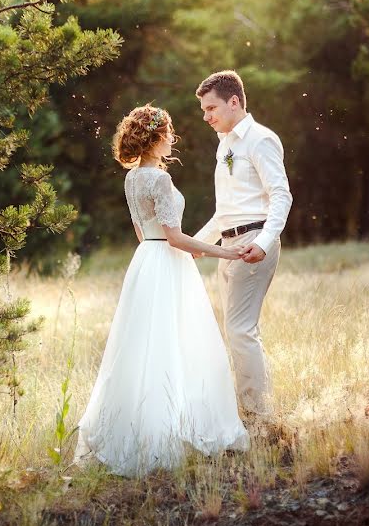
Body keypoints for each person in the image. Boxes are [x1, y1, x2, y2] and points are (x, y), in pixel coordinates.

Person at [74, 105, 250, 477]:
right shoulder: (160, 181)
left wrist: (188, 248)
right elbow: (173, 237)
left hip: (145, 263)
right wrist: (223, 250)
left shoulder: (132, 180)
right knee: (180, 341)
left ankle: (141, 425)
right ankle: (167, 431)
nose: (173, 138)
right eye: (169, 132)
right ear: (155, 139)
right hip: (168, 264)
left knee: (144, 346)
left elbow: (145, 234)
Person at [193, 70, 293, 425]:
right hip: (229, 244)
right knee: (237, 330)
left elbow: (281, 195)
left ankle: (258, 416)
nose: (206, 116)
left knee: (240, 330)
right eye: (204, 110)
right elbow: (226, 210)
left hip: (254, 241)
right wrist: (198, 244)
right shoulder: (225, 145)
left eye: (211, 108)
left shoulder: (261, 140)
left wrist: (264, 242)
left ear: (233, 101)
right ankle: (250, 409)